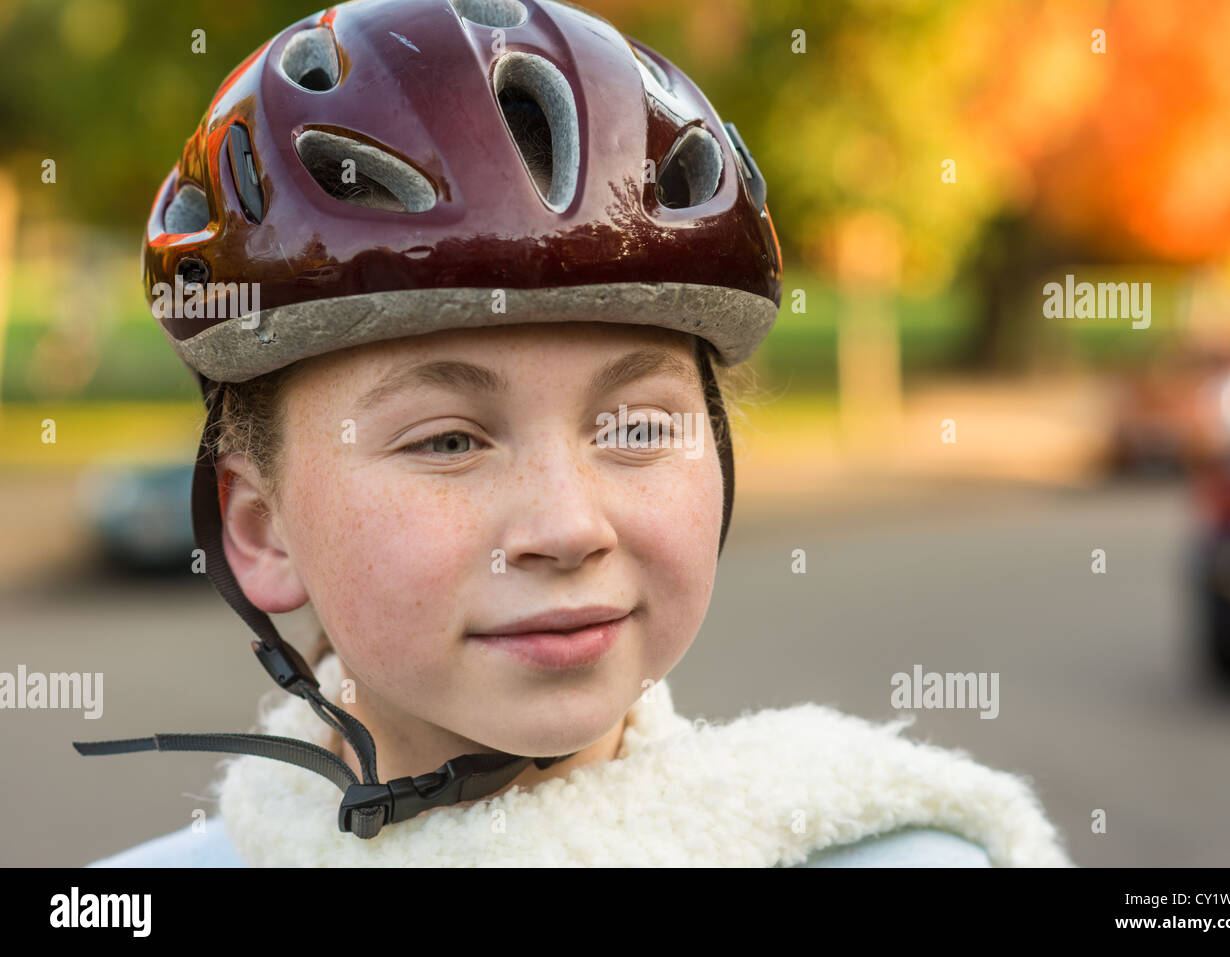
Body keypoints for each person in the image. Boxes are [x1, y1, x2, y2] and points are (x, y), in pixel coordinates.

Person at [81, 0, 1071, 867]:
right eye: (447, 441)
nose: (567, 527)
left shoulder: (916, 856)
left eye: (637, 425)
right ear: (259, 532)